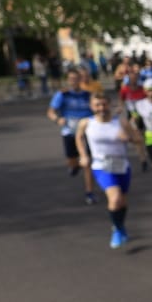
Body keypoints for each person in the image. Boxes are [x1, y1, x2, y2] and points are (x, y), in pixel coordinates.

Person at [76, 92, 143, 249]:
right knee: (115, 198)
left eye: (104, 104)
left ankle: (120, 226)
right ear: (91, 106)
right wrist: (83, 155)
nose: (101, 108)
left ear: (109, 104)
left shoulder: (120, 122)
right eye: (97, 105)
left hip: (121, 165)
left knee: (122, 201)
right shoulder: (86, 123)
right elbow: (78, 137)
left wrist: (128, 138)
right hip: (101, 166)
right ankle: (117, 230)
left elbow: (139, 139)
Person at [48, 69, 97, 204]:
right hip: (69, 132)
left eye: (76, 78)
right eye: (71, 79)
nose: (73, 81)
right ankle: (74, 166)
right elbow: (51, 112)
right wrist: (57, 119)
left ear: (81, 79)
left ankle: (89, 193)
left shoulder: (87, 95)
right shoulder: (62, 95)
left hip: (87, 133)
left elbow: (97, 109)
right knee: (72, 161)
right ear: (67, 80)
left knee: (87, 162)